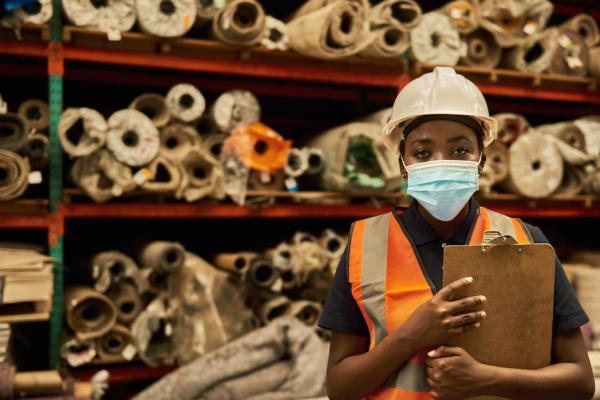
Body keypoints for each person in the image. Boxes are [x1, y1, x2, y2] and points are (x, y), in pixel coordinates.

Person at [318, 67, 594, 400]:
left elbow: (580, 381)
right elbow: (339, 388)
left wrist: (488, 380)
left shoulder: (526, 240)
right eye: (422, 152)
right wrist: (412, 336)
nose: (441, 162)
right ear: (403, 165)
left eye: (460, 150)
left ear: (482, 161)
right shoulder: (366, 243)